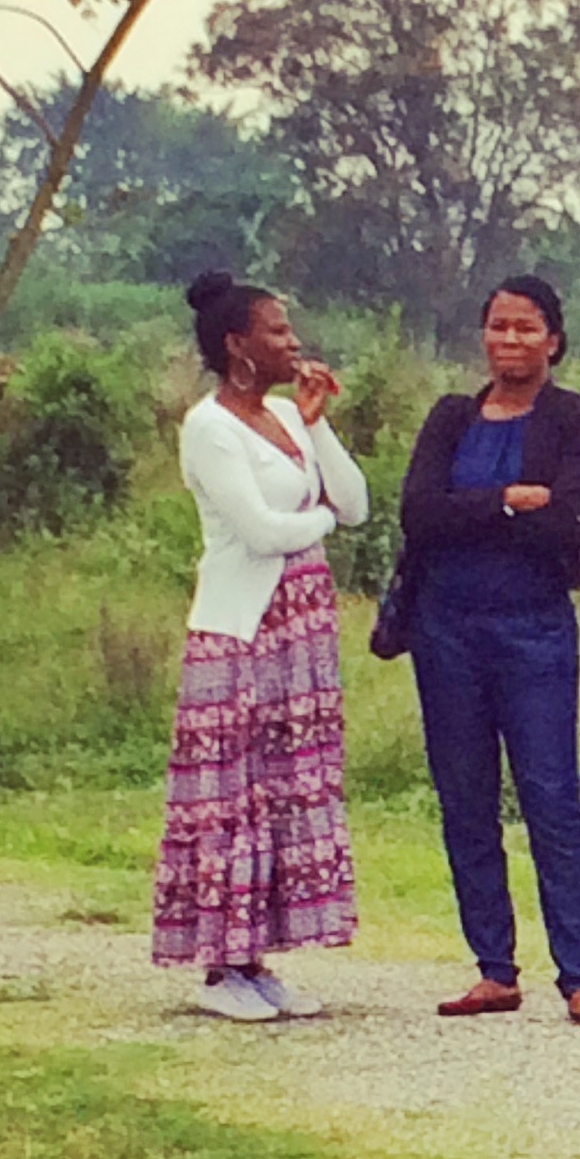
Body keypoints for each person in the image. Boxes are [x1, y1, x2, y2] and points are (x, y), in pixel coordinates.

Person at [400, 274, 580, 1031]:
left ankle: (579, 976)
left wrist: (502, 513)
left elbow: (565, 524)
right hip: (444, 629)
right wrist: (505, 500)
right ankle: (494, 969)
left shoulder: (571, 419)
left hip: (533, 631)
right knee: (465, 799)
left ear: (553, 338)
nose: (510, 340)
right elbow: (417, 514)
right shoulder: (452, 417)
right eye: (498, 326)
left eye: (526, 328)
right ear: (483, 335)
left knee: (551, 796)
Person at [152, 271, 368, 1019]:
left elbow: (357, 500)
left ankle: (257, 960)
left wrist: (314, 425)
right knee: (232, 796)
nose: (293, 341)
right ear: (237, 345)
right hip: (241, 632)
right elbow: (261, 531)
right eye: (277, 330)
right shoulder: (209, 426)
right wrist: (321, 523)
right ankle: (220, 970)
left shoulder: (284, 413)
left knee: (280, 788)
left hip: (298, 634)